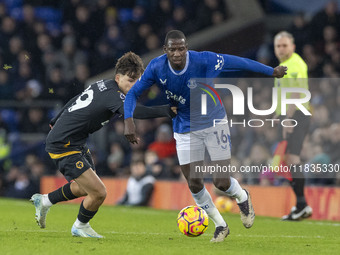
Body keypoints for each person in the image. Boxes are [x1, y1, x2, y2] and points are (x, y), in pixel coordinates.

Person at [124, 30, 287, 242]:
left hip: (214, 123)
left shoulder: (203, 60)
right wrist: (129, 121)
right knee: (194, 182)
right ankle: (220, 225)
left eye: (181, 48)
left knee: (220, 181)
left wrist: (270, 71)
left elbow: (239, 62)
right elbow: (134, 93)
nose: (177, 53)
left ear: (186, 48)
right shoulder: (157, 66)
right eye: (172, 49)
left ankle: (243, 197)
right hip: (184, 127)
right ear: (165, 50)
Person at [30, 52, 175, 238]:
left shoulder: (102, 84)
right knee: (99, 192)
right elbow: (135, 111)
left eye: (137, 82)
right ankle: (80, 226)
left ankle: (45, 201)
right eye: (130, 80)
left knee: (85, 188)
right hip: (63, 144)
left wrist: (56, 118)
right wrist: (166, 110)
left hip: (77, 141)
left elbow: (76, 99)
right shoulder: (114, 95)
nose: (134, 86)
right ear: (118, 77)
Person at [273, 31, 313, 221]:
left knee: (292, 158)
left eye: (285, 45)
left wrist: (288, 118)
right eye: (278, 46)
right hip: (291, 115)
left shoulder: (294, 64)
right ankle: (301, 205)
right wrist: (278, 113)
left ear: (293, 47)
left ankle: (302, 204)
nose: (281, 49)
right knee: (288, 159)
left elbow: (296, 93)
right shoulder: (284, 65)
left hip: (297, 114)